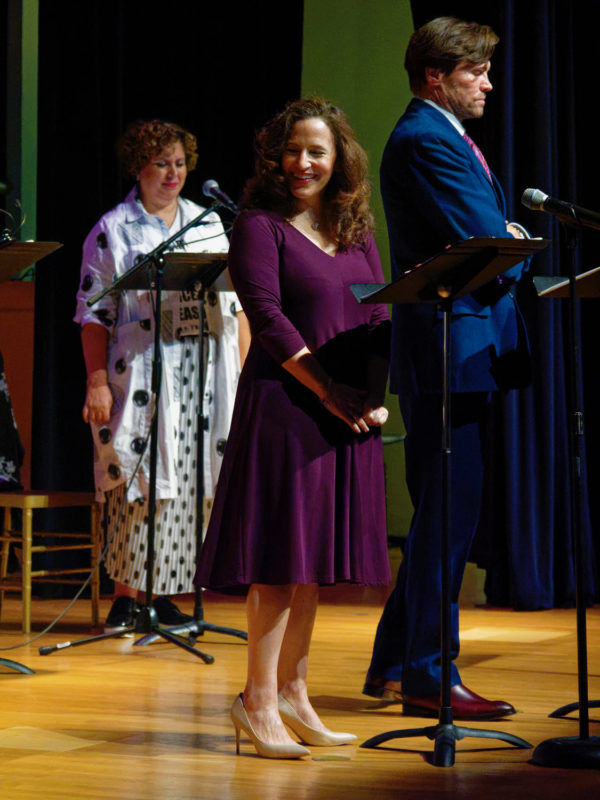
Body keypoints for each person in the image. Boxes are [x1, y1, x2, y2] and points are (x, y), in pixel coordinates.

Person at [195, 97, 391, 758]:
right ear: (276, 155)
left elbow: (380, 315)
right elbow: (270, 320)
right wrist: (331, 390)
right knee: (279, 560)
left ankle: (293, 692)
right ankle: (255, 699)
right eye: (294, 149)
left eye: (318, 151)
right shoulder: (258, 224)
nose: (304, 162)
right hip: (288, 406)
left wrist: (371, 396)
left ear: (339, 160)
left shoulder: (356, 226)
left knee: (310, 564)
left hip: (343, 409)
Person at [363, 17, 531, 720]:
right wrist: (515, 243)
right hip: (447, 347)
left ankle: (398, 665)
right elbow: (481, 241)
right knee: (447, 518)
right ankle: (430, 672)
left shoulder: (443, 135)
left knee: (443, 512)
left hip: (462, 349)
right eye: (475, 73)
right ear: (437, 77)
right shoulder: (424, 138)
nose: (488, 84)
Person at [75, 119, 248, 633]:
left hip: (203, 373)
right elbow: (93, 312)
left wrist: (242, 374)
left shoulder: (207, 221)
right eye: (160, 164)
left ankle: (170, 594)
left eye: (179, 163)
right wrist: (96, 379)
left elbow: (236, 306)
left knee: (192, 481)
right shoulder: (115, 228)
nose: (172, 173)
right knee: (139, 477)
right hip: (143, 372)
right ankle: (127, 597)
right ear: (138, 168)